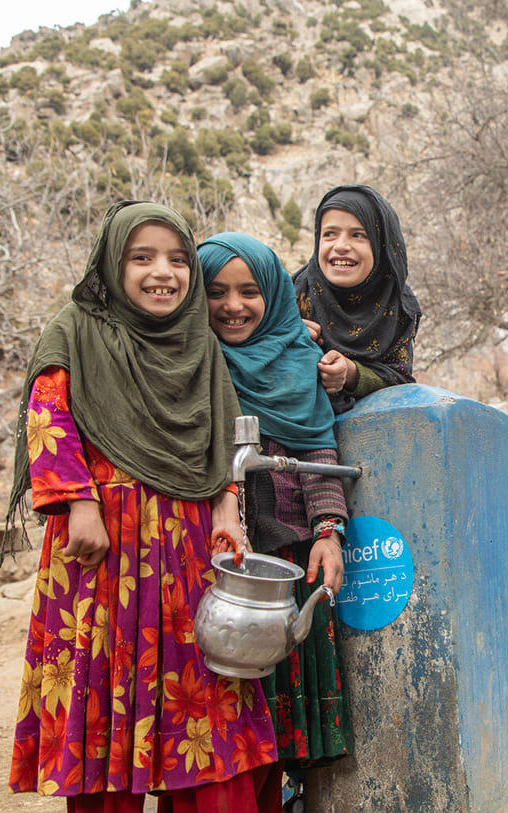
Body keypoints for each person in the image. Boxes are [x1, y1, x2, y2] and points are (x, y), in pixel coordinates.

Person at [5, 201, 281, 813]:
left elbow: (227, 437)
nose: (164, 272)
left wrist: (228, 509)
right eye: (143, 257)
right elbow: (47, 420)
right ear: (114, 262)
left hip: (187, 544)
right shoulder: (73, 329)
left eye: (179, 260)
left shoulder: (199, 345)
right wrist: (77, 503)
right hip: (100, 547)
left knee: (200, 701)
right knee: (107, 689)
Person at [198, 232, 353, 809]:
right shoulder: (190, 362)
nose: (233, 306)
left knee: (284, 712)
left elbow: (317, 451)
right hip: (214, 561)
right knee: (222, 716)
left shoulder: (299, 359)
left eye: (249, 291)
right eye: (216, 292)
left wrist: (328, 533)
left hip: (286, 559)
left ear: (274, 296)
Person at [292, 184, 422, 413]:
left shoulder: (397, 307)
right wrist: (285, 335)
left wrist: (351, 373)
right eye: (329, 234)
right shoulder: (293, 296)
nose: (341, 246)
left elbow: (399, 380)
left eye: (358, 235)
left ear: (382, 245)